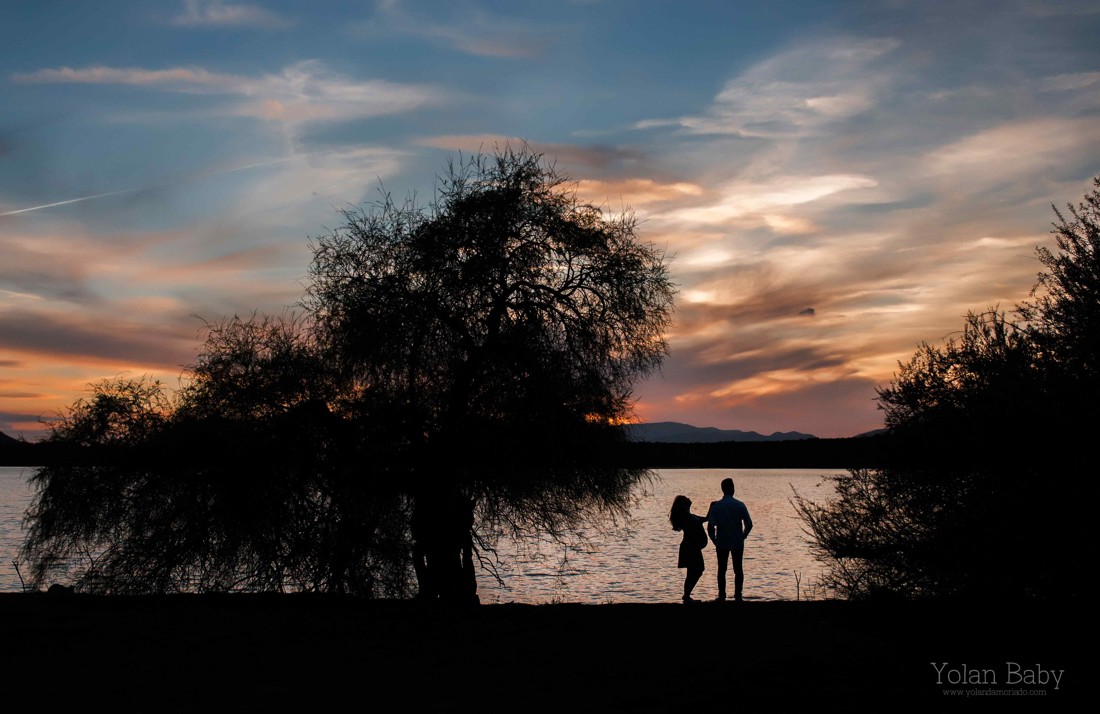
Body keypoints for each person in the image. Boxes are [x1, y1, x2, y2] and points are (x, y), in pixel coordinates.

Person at [706, 477, 752, 602]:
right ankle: (738, 595)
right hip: (737, 541)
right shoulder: (740, 505)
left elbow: (710, 526)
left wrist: (714, 540)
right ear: (733, 489)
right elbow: (749, 524)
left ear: (722, 489)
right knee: (738, 569)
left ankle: (722, 595)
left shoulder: (717, 507)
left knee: (722, 569)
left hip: (722, 541)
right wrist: (743, 536)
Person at [669, 495, 708, 603]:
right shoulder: (685, 516)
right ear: (683, 504)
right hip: (690, 547)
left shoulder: (690, 515)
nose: (689, 499)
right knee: (696, 570)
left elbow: (705, 518)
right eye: (686, 499)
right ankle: (686, 595)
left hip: (692, 546)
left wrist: (711, 507)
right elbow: (694, 528)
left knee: (694, 571)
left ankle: (686, 595)